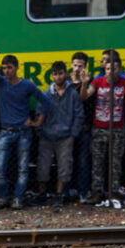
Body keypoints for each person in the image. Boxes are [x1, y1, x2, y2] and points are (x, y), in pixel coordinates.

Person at [0, 50, 51, 210]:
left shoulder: (27, 84)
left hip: (24, 132)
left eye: (10, 68)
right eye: (4, 68)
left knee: (23, 168)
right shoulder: (1, 82)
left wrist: (37, 121)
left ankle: (18, 198)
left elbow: (45, 101)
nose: (6, 71)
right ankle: (5, 197)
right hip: (5, 131)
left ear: (17, 68)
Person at [79, 55, 125, 204]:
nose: (110, 72)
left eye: (113, 69)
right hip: (99, 128)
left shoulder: (124, 82)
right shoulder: (97, 81)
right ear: (104, 70)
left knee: (115, 163)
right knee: (97, 162)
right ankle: (97, 192)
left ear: (118, 69)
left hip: (118, 129)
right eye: (107, 69)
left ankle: (113, 191)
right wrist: (84, 84)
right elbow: (84, 96)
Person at [34, 61, 83, 207]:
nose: (58, 77)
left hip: (65, 138)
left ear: (65, 74)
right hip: (46, 138)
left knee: (65, 167)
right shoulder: (46, 94)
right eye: (55, 74)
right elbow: (38, 114)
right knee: (42, 168)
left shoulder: (73, 94)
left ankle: (59, 195)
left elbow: (78, 115)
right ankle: (42, 194)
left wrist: (72, 136)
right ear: (52, 75)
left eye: (61, 73)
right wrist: (41, 133)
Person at [69, 52, 94, 202]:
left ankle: (83, 191)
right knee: (67, 160)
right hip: (68, 129)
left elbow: (86, 102)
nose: (77, 68)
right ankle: (67, 190)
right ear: (71, 65)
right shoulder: (65, 81)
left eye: (81, 66)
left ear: (85, 67)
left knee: (83, 161)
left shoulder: (91, 83)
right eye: (75, 65)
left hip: (84, 128)